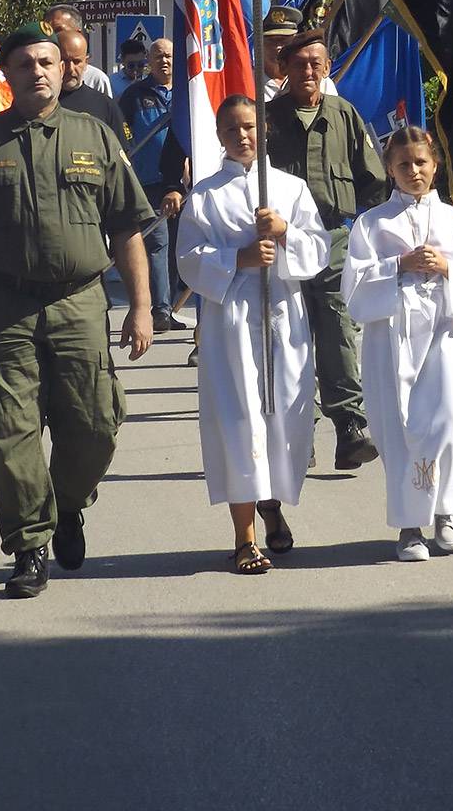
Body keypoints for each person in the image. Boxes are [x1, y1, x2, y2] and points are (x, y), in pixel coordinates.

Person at [0, 27, 153, 600]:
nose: (38, 72)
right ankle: (29, 545)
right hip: (5, 304)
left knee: (96, 425)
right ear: (7, 73)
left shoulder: (95, 136)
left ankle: (67, 504)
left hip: (80, 301)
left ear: (63, 68)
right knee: (9, 428)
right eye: (25, 64)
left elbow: (126, 225)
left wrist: (143, 306)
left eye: (47, 62)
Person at [177, 95, 329, 573]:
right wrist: (236, 260)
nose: (242, 137)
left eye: (249, 127)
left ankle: (272, 502)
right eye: (231, 130)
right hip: (232, 322)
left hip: (283, 318)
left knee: (283, 417)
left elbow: (318, 248)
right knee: (238, 422)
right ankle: (244, 539)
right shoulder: (205, 195)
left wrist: (285, 233)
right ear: (219, 137)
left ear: (263, 131)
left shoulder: (290, 187)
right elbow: (187, 258)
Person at [342, 126, 453, 562]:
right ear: (390, 169)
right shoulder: (372, 224)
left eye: (421, 163)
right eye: (403, 164)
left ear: (435, 165)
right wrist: (398, 265)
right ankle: (409, 527)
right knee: (399, 429)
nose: (413, 171)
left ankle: (446, 509)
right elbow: (355, 287)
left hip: (444, 335)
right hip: (391, 338)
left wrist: (447, 266)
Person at [266, 30, 386, 471]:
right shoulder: (268, 120)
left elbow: (373, 181)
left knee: (337, 330)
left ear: (327, 67)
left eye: (316, 64)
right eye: (299, 65)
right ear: (285, 70)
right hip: (283, 241)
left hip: (335, 238)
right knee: (291, 336)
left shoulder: (345, 115)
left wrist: (364, 235)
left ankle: (350, 427)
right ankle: (300, 433)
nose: (309, 72)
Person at [118, 37, 191, 337]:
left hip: (186, 183)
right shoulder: (135, 95)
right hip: (148, 181)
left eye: (170, 56)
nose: (164, 61)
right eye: (158, 56)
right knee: (158, 242)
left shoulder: (189, 94)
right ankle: (160, 310)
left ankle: (172, 303)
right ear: (149, 60)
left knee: (178, 245)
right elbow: (121, 134)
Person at [55, 28, 129, 142]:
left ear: (86, 62)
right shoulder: (39, 103)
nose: (70, 69)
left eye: (76, 61)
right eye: (64, 60)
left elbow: (124, 151)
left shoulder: (105, 105)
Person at [260, 6, 337, 101]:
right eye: (271, 41)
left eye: (284, 40)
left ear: (294, 41)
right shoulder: (247, 81)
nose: (278, 47)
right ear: (259, 43)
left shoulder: (320, 82)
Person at [43, 4, 113, 95]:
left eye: (58, 30)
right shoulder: (38, 76)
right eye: (47, 31)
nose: (51, 36)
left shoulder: (95, 80)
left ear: (78, 33)